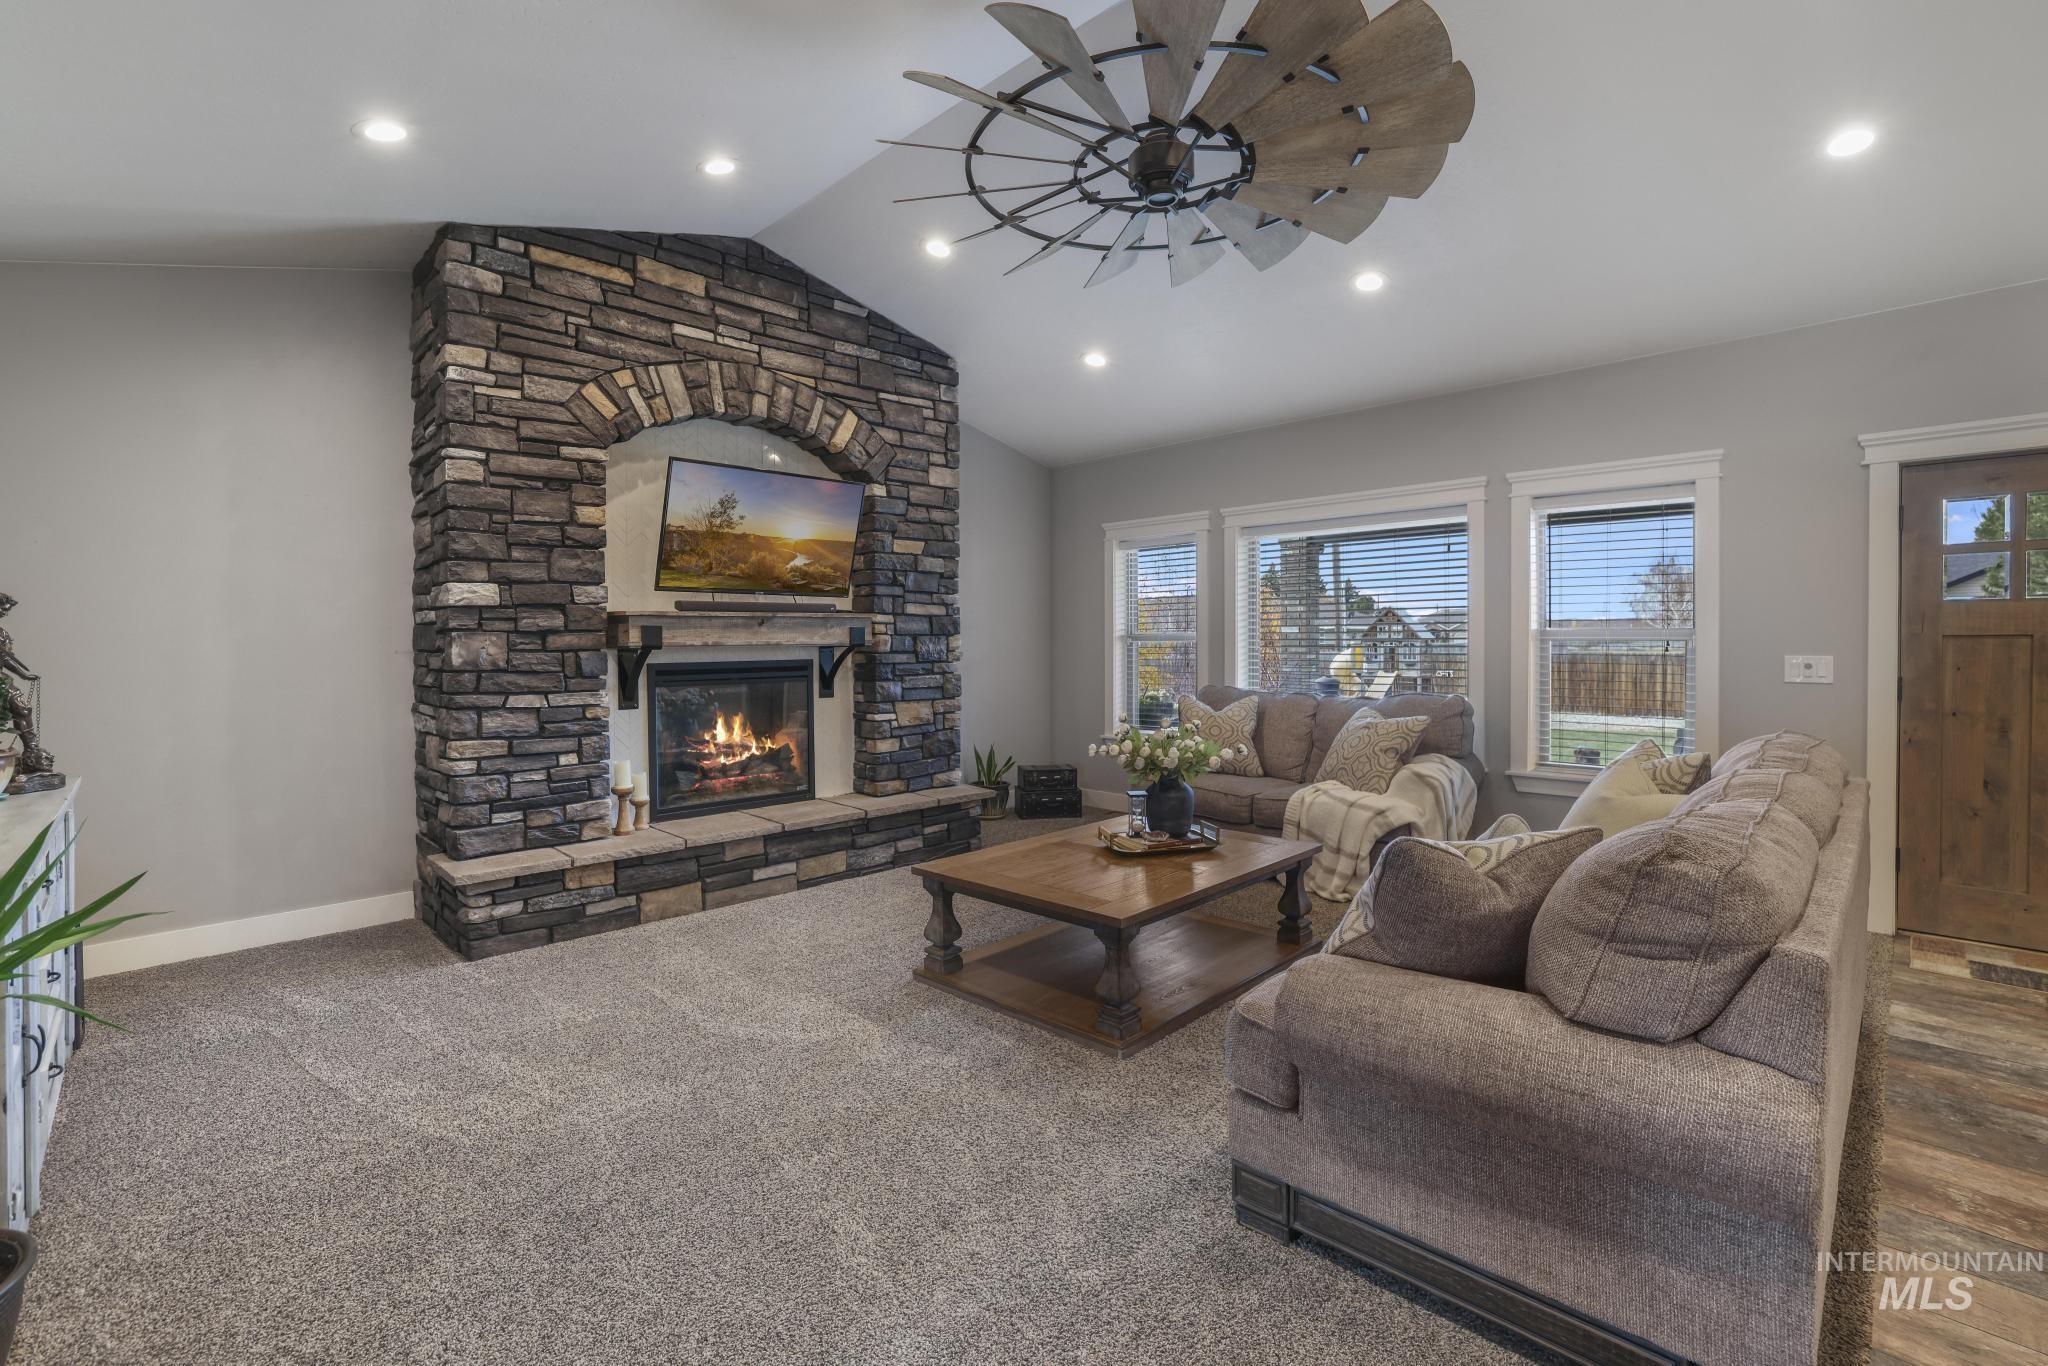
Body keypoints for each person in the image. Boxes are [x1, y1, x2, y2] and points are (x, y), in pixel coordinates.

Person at [0, 594, 55, 780]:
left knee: (22, 709)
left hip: (1, 679)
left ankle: (31, 755)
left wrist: (23, 675)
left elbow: (6, 658)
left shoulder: (2, 634)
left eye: (5, 611)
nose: (3, 614)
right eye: (1, 609)